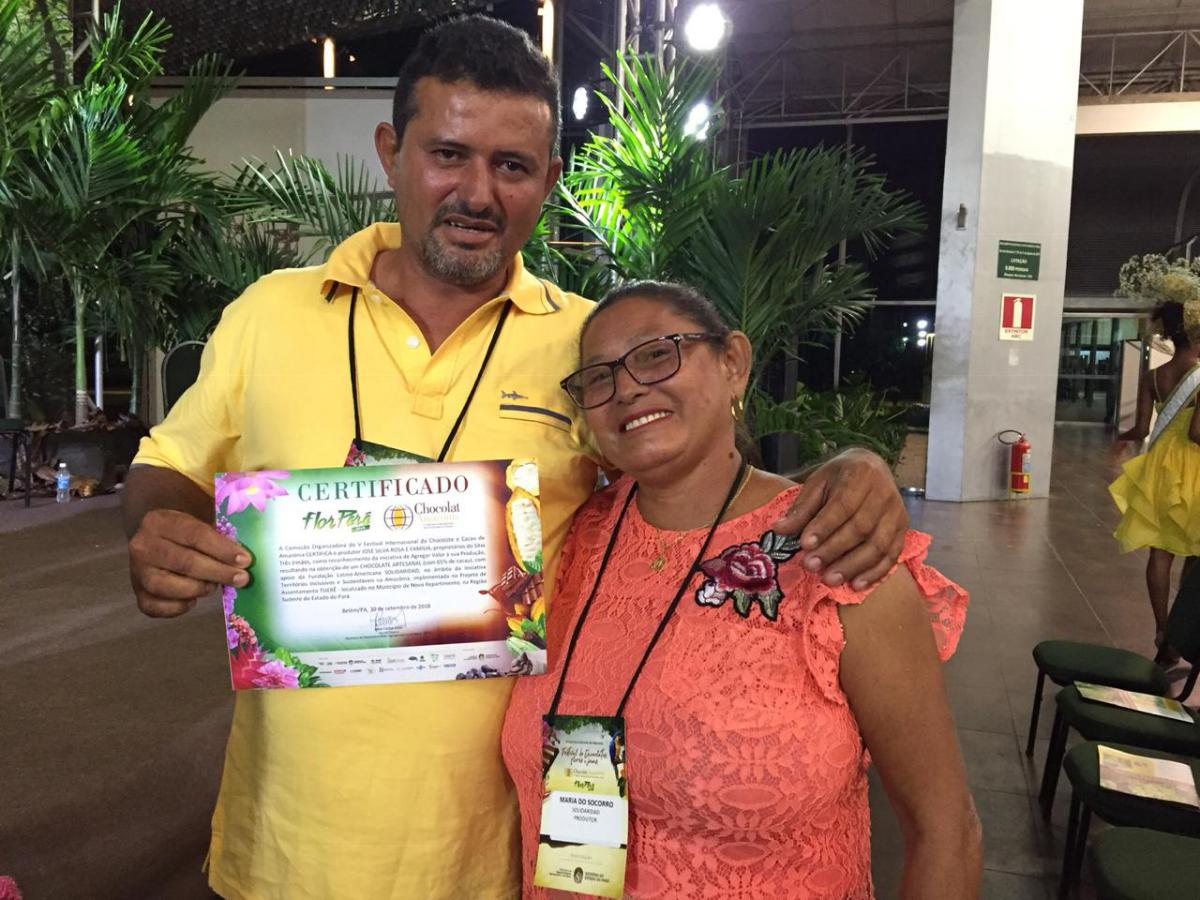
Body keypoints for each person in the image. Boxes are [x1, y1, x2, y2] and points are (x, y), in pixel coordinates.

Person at [123, 17, 913, 900]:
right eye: (448, 154)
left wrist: (855, 466)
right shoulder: (271, 313)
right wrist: (158, 524)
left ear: (548, 179)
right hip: (285, 850)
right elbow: (169, 463)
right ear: (391, 151)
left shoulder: (587, 347)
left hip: (494, 864)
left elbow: (707, 473)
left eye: (512, 166)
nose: (478, 192)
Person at [502, 282, 980, 899]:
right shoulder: (569, 538)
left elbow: (947, 831)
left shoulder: (833, 551)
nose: (625, 387)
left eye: (656, 353)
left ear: (733, 363)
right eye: (599, 376)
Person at [1110, 299, 1200, 665]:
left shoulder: (1154, 376)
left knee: (1160, 552)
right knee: (1194, 553)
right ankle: (1183, 633)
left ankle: (1163, 633)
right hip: (1194, 467)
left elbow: (1143, 428)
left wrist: (1121, 437)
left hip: (1162, 466)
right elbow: (1197, 433)